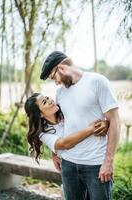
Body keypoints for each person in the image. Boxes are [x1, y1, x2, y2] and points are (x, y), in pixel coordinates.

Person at [40, 51, 120, 200]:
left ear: (61, 68)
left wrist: (108, 162)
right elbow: (62, 124)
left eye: (53, 77)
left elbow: (115, 121)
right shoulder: (60, 93)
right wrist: (54, 153)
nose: (56, 83)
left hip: (96, 164)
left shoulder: (97, 81)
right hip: (68, 165)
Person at [24, 93, 109, 163]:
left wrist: (105, 123)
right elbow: (65, 144)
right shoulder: (43, 133)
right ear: (40, 114)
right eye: (44, 102)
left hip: (92, 158)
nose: (50, 101)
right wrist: (92, 129)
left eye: (47, 98)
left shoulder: (65, 112)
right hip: (70, 165)